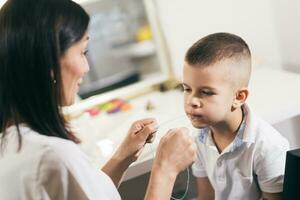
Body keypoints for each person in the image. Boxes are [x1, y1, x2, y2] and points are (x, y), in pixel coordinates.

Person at [0, 0, 197, 199]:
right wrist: (166, 168)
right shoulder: (52, 156)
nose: (86, 67)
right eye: (82, 52)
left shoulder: (11, 144)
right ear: (49, 62)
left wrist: (123, 157)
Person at [182, 32, 289, 200]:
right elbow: (206, 196)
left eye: (206, 92)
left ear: (238, 97)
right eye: (187, 89)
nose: (192, 101)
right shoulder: (199, 138)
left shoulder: (268, 146)